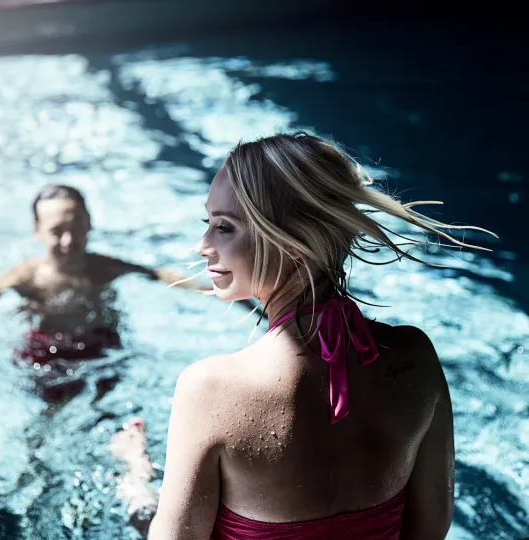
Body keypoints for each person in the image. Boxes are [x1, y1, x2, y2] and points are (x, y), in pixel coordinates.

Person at [140, 132, 493, 540]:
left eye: (223, 227)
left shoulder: (211, 389)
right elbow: (431, 527)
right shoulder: (415, 357)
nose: (203, 246)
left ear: (290, 243)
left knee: (139, 491)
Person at [0, 184, 210, 364]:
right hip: (48, 349)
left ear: (89, 224)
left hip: (101, 343)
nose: (69, 241)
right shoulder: (29, 275)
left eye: (76, 228)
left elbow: (157, 274)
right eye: (57, 231)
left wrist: (208, 290)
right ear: (37, 231)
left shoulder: (103, 268)